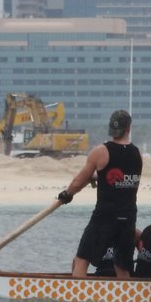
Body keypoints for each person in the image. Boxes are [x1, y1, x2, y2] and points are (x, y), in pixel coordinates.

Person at [58, 109, 142, 279]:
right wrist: (99, 177)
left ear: (111, 128)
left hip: (105, 216)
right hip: (128, 217)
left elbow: (78, 182)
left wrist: (67, 194)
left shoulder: (101, 151)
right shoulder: (137, 153)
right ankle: (125, 299)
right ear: (129, 128)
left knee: (82, 259)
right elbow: (121, 177)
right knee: (122, 265)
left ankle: (77, 296)